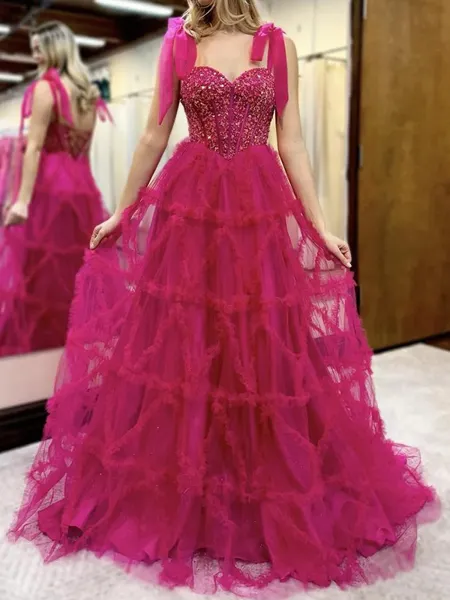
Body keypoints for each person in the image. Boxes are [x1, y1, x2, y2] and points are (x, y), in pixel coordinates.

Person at [9, 1, 439, 596]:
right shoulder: (179, 44)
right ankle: (185, 484)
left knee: (264, 343)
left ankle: (264, 478)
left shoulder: (278, 45)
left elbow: (292, 142)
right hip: (192, 211)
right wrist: (123, 212)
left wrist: (318, 225)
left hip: (258, 212)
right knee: (184, 345)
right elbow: (155, 133)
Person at [0, 21, 111, 357]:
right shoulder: (88, 94)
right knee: (75, 269)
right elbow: (83, 150)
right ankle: (72, 345)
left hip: (49, 190)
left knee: (43, 273)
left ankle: (44, 346)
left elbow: (34, 148)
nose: (34, 54)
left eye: (39, 48)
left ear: (55, 48)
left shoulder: (46, 88)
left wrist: (21, 200)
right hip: (82, 189)